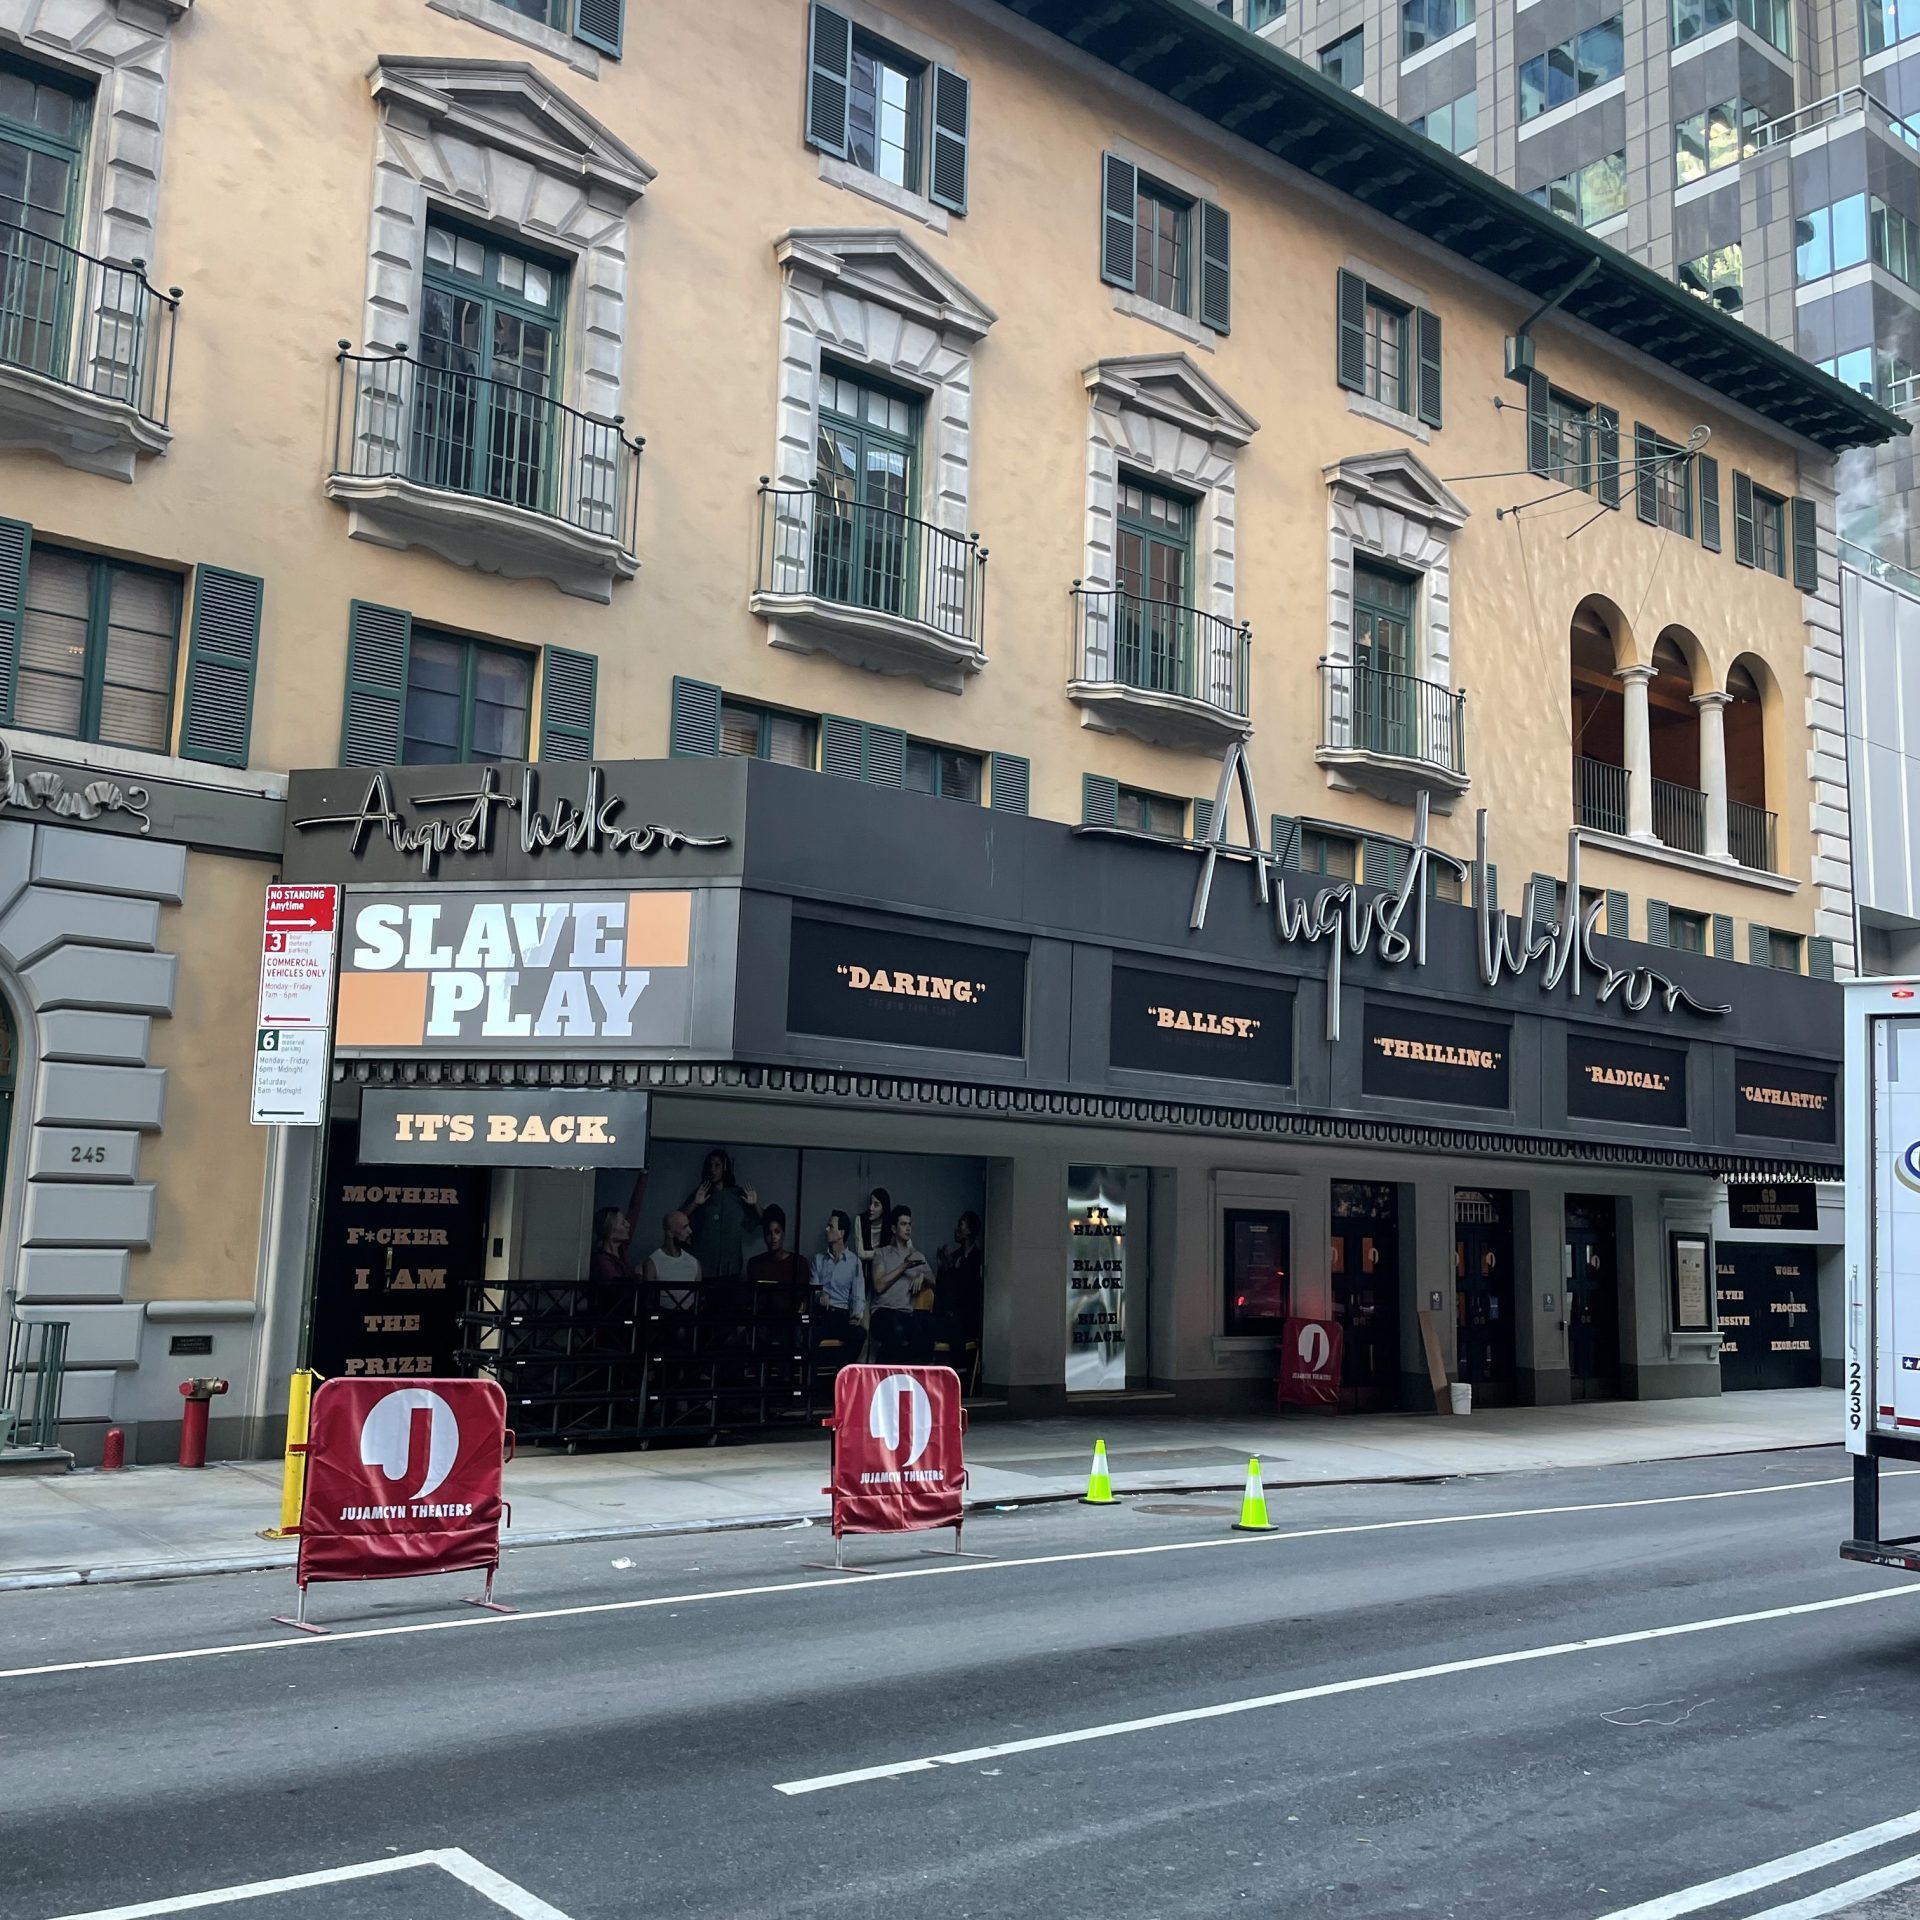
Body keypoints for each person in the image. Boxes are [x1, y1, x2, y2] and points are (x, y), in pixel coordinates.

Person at [683, 1148, 760, 1320]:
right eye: (710, 1165)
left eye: (717, 1165)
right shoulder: (702, 1192)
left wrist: (755, 1205)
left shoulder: (736, 1195)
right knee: (704, 1318)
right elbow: (678, 1220)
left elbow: (759, 1222)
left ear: (725, 1167)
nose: (713, 1169)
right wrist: (696, 1203)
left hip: (731, 1269)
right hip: (705, 1269)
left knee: (728, 1317)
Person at [867, 1204, 932, 1363]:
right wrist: (904, 1266)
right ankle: (883, 1378)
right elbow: (879, 1285)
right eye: (903, 1224)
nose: (908, 1228)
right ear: (894, 1229)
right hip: (882, 1313)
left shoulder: (917, 1256)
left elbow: (935, 1281)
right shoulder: (882, 1253)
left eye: (909, 1224)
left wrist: (923, 1276)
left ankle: (912, 1380)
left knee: (923, 1332)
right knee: (896, 1330)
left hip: (906, 1314)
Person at [811, 1209, 866, 1359]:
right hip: (822, 1314)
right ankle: (811, 1378)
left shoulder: (854, 1262)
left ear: (841, 1233)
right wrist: (819, 1295)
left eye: (831, 1227)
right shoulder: (818, 1260)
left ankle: (841, 1376)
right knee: (808, 1333)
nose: (826, 1229)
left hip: (841, 1315)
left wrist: (857, 1313)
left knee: (859, 1334)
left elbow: (858, 1294)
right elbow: (813, 1288)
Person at [745, 1204, 810, 1318]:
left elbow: (802, 1301)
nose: (773, 1237)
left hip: (788, 1324)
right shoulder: (755, 1264)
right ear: (765, 1236)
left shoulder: (799, 1263)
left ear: (783, 1234)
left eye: (777, 1231)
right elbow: (753, 1301)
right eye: (769, 1233)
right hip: (762, 1324)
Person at [935, 1210, 984, 1362]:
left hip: (967, 1316)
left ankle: (958, 1370)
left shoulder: (977, 1258)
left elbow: (970, 1291)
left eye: (961, 1225)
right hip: (949, 1313)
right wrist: (943, 1267)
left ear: (969, 1230)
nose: (956, 1229)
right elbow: (943, 1289)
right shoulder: (955, 1256)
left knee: (956, 1327)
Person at [644, 1210, 703, 1314]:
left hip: (688, 1323)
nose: (690, 1231)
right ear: (670, 1233)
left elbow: (697, 1301)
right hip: (662, 1324)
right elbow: (648, 1302)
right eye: (684, 1227)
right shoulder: (652, 1263)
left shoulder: (694, 1263)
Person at [853, 1187, 892, 1281]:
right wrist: (883, 1253)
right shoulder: (860, 1220)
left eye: (876, 1205)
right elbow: (860, 1253)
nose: (871, 1208)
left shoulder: (891, 1222)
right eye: (870, 1203)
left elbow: (907, 1247)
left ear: (884, 1208)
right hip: (865, 1268)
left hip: (886, 1269)